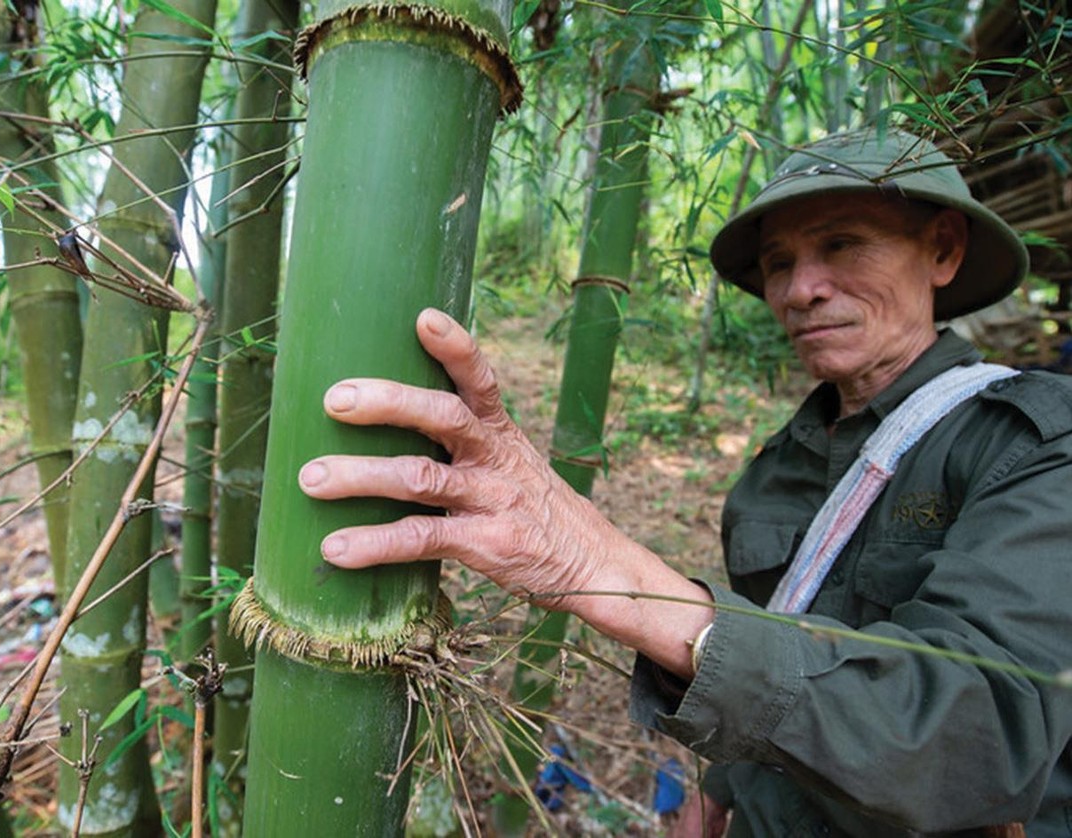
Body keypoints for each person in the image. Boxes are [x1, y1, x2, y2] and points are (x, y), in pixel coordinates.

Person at [295, 128, 1072, 835]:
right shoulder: (781, 465)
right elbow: (790, 641)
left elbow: (984, 737)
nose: (801, 290)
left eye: (844, 244)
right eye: (778, 264)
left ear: (941, 250)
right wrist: (724, 790)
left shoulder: (1035, 443)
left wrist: (599, 568)